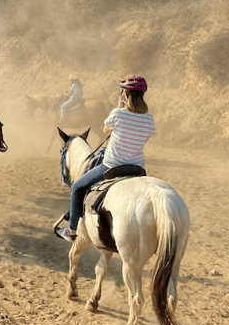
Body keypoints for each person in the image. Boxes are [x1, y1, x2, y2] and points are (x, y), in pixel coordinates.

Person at [56, 75, 155, 242]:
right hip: (138, 169)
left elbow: (105, 131)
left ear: (125, 95)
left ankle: (71, 230)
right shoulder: (149, 120)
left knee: (78, 188)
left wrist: (119, 107)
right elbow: (142, 140)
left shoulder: (118, 113)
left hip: (111, 166)